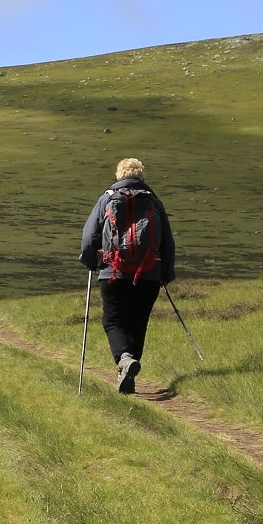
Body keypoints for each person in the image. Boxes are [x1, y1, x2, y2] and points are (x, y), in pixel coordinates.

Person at [78, 157, 176, 393]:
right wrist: (165, 273)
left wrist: (91, 261)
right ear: (142, 176)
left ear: (119, 175)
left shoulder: (107, 199)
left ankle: (124, 360)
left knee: (113, 320)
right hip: (149, 274)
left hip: (113, 273)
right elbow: (168, 241)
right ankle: (129, 364)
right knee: (138, 322)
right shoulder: (154, 202)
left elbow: (90, 235)